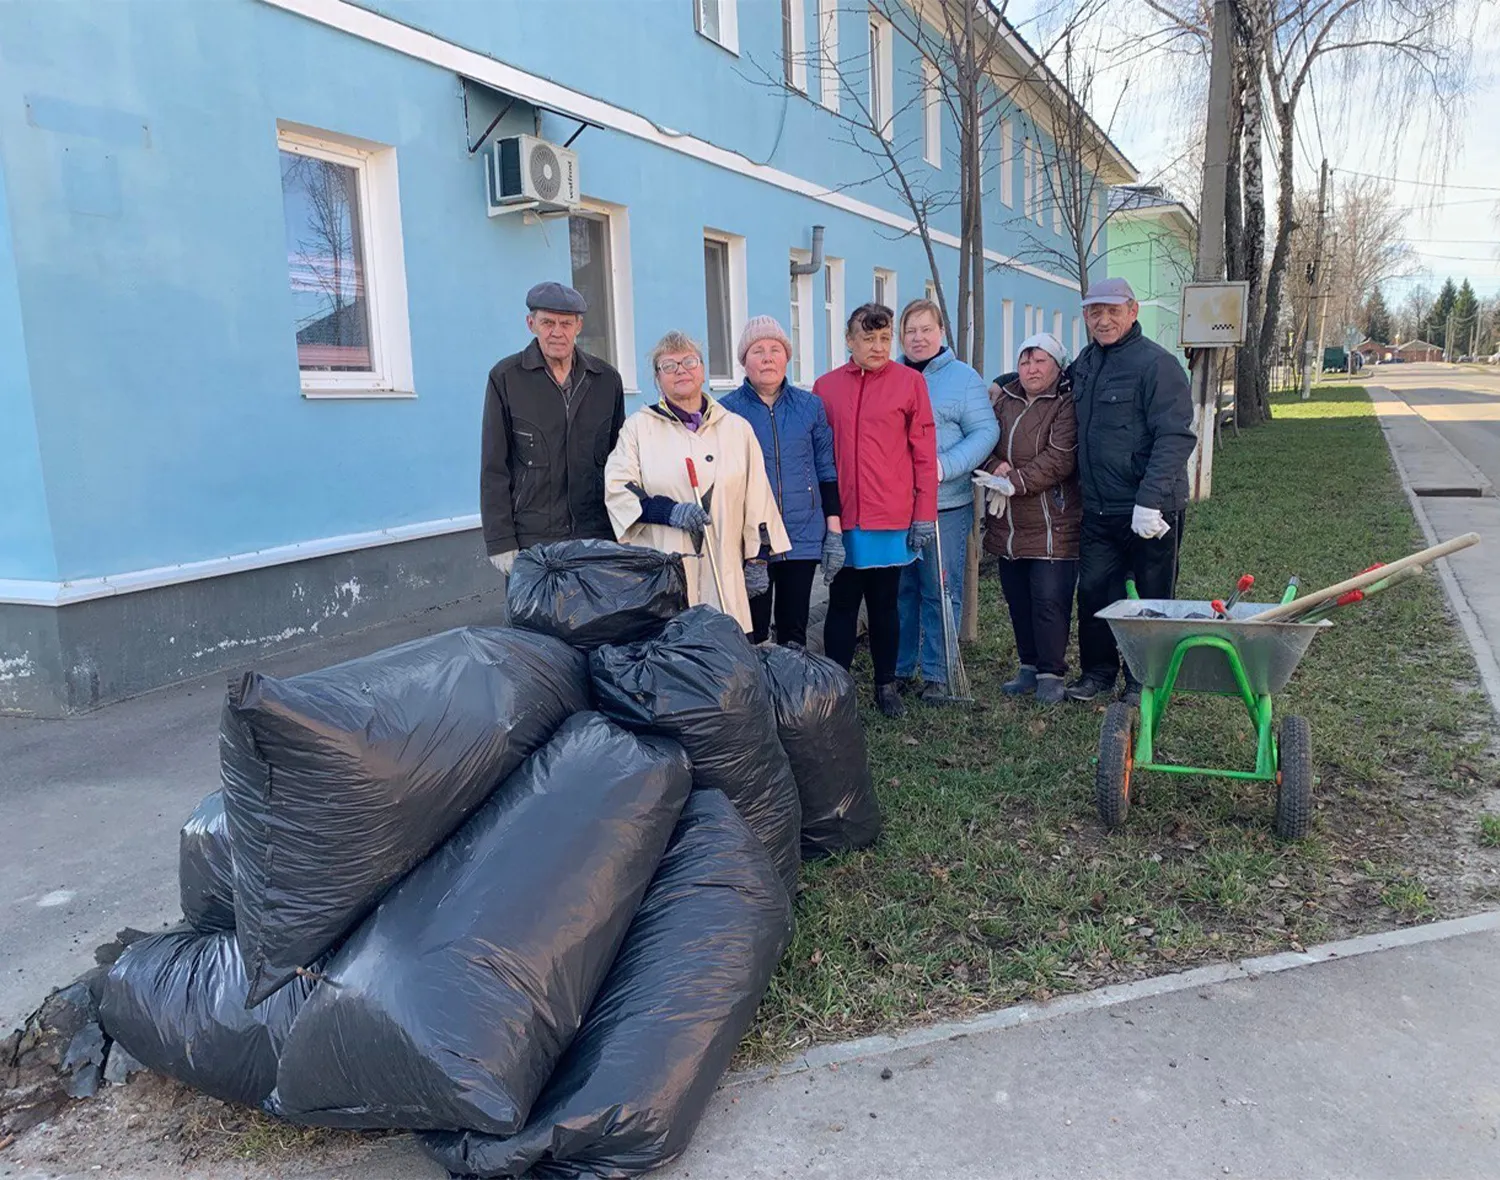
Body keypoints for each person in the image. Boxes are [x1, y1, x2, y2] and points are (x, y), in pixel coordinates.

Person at [604, 330, 791, 633]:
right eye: (669, 365)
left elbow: (758, 499)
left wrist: (758, 560)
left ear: (703, 370)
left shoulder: (736, 429)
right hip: (664, 574)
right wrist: (668, 512)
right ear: (657, 378)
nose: (681, 370)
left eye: (689, 361)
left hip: (725, 574)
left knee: (724, 657)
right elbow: (618, 489)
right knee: (674, 656)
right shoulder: (638, 429)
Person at [1066, 277, 1195, 704]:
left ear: (1133, 311)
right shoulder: (1086, 362)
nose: (1102, 320)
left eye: (1112, 311)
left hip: (1150, 511)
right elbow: (1053, 386)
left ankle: (1144, 679)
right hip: (1100, 508)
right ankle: (1099, 672)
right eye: (1094, 312)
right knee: (1095, 593)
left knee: (1152, 598)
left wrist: (1149, 500)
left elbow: (1175, 437)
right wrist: (1007, 383)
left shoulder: (1157, 365)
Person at [813, 304, 938, 719]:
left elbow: (924, 453)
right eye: (868, 339)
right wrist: (822, 517)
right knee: (842, 601)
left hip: (890, 515)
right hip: (843, 518)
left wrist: (924, 512)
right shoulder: (826, 387)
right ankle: (837, 687)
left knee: (885, 603)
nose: (878, 346)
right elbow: (816, 455)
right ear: (850, 341)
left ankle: (886, 685)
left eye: (885, 338)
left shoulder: (909, 384)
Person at [894, 299, 999, 704]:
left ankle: (938, 671)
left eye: (926, 329)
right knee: (902, 588)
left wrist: (945, 466)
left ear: (941, 332)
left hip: (945, 503)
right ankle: (902, 667)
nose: (918, 338)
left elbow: (984, 432)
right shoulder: (893, 376)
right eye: (910, 331)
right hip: (898, 506)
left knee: (939, 588)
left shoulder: (962, 378)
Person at [480, 282, 626, 574]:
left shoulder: (606, 380)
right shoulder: (506, 378)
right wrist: (500, 541)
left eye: (565, 323)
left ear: (578, 326)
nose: (557, 332)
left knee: (597, 620)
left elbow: (620, 461)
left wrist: (625, 527)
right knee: (533, 621)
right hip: (533, 541)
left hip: (595, 536)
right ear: (531, 324)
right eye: (547, 322)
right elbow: (494, 468)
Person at [720, 317, 843, 647]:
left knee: (794, 629)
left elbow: (826, 469)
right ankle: (759, 696)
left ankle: (795, 695)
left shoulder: (810, 407)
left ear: (787, 357)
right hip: (751, 538)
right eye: (757, 350)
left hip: (801, 534)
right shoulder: (726, 412)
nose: (767, 357)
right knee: (753, 630)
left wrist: (834, 532)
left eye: (775, 349)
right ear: (744, 361)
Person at [980, 332, 1081, 705]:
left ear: (1057, 366)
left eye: (1040, 361)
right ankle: (1028, 666)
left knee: (1049, 599)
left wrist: (1014, 481)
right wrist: (994, 466)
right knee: (1018, 597)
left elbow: (1060, 457)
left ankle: (1052, 673)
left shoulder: (1065, 403)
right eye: (1025, 362)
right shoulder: (1003, 400)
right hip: (1008, 522)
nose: (1032, 369)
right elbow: (984, 441)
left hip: (1051, 519)